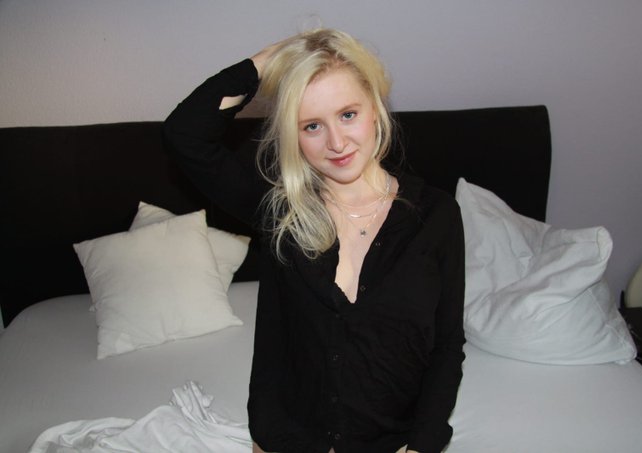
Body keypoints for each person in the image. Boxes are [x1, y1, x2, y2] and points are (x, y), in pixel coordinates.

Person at [163, 28, 465, 453]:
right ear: (294, 135)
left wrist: (422, 445)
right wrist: (267, 61)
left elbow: (447, 344)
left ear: (375, 109)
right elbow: (184, 134)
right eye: (312, 125)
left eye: (348, 114)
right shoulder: (280, 212)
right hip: (287, 441)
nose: (336, 143)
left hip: (393, 443)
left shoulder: (436, 215)